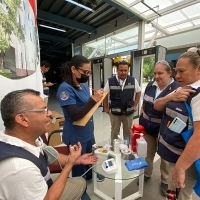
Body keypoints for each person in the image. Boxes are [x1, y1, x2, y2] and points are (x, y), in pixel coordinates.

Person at [0, 89, 99, 200]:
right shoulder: (19, 168)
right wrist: (69, 165)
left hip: (42, 187)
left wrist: (76, 160)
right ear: (23, 119)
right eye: (43, 110)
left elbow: (51, 156)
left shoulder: (28, 138)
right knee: (80, 183)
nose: (50, 113)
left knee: (80, 182)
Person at [154, 48, 200, 199]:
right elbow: (157, 105)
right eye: (176, 71)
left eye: (182, 71)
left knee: (183, 195)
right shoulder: (181, 89)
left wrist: (180, 168)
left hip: (186, 161)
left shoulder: (197, 96)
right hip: (173, 155)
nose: (177, 76)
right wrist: (171, 97)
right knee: (173, 193)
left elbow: (198, 137)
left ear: (198, 69)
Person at [56, 55, 104, 200]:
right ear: (73, 69)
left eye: (89, 72)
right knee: (77, 162)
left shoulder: (83, 86)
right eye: (85, 72)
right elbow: (75, 114)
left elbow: (87, 107)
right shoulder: (65, 89)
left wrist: (96, 99)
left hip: (88, 130)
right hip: (75, 134)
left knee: (89, 154)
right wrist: (92, 100)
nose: (87, 75)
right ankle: (79, 188)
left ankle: (89, 173)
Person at [139, 60, 180, 196]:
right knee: (147, 153)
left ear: (170, 73)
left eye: (160, 73)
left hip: (165, 130)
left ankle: (165, 181)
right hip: (148, 128)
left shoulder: (176, 88)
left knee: (165, 158)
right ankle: (147, 173)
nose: (156, 76)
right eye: (155, 73)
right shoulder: (150, 85)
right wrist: (141, 119)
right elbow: (144, 104)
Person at [103, 59, 141, 141]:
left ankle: (126, 147)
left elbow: (138, 92)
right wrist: (106, 107)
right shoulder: (110, 81)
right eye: (121, 70)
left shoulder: (133, 80)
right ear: (117, 70)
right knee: (114, 132)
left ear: (128, 70)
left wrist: (135, 105)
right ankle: (114, 148)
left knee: (127, 133)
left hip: (128, 112)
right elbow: (105, 94)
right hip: (115, 113)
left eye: (125, 70)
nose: (123, 72)